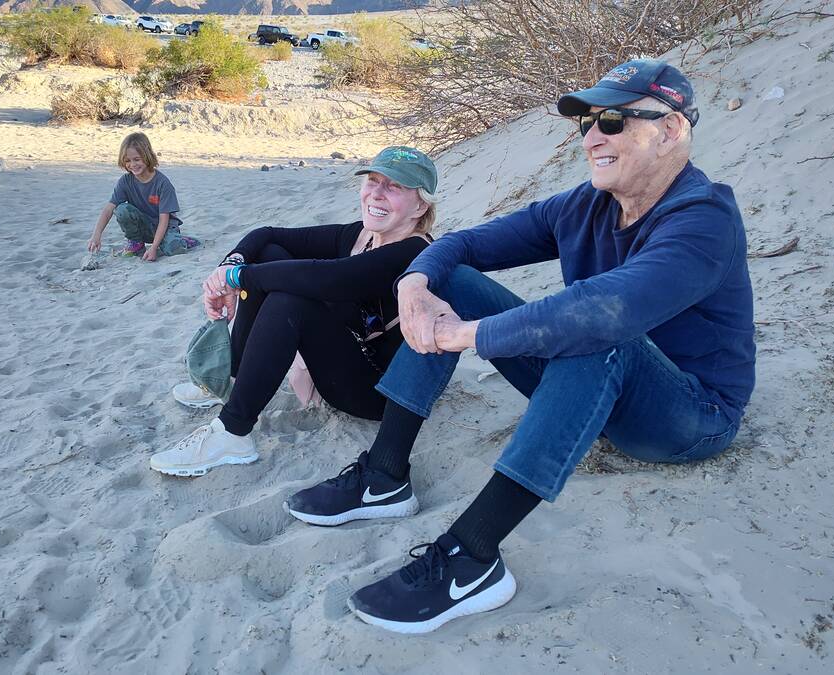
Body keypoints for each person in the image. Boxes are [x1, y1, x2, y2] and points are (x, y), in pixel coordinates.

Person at [284, 60, 756, 633]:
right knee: (452, 281)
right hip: (592, 393)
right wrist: (415, 281)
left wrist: (469, 334)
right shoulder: (586, 205)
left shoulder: (703, 220)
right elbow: (463, 244)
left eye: (612, 120)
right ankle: (384, 475)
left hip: (686, 416)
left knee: (597, 335)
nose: (593, 137)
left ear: (671, 130)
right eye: (586, 123)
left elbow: (608, 311)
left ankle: (474, 557)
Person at [149, 147, 441, 477]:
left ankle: (232, 432)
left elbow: (332, 279)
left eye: (395, 186)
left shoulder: (415, 253)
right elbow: (267, 235)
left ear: (420, 205)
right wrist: (230, 266)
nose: (377, 192)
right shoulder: (362, 235)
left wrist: (237, 279)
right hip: (351, 352)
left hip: (379, 393)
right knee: (270, 255)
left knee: (290, 299)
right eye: (373, 181)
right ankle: (233, 379)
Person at [87, 132, 196, 262]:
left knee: (173, 249)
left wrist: (154, 247)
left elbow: (164, 219)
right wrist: (96, 234)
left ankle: (182, 240)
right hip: (144, 227)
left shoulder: (163, 184)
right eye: (127, 160)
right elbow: (109, 208)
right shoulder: (125, 181)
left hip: (164, 227)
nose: (132, 164)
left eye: (137, 159)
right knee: (122, 209)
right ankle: (136, 244)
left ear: (147, 156)